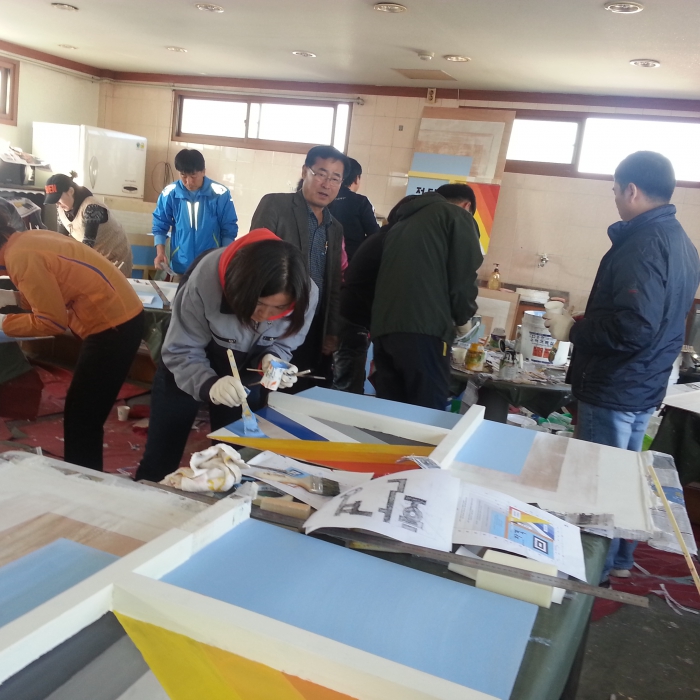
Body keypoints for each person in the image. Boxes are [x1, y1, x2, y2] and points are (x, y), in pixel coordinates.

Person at [544, 150, 700, 581]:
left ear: (631, 190)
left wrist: (573, 330)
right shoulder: (682, 242)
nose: (614, 198)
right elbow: (653, 319)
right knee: (625, 479)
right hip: (644, 383)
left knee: (596, 487)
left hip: (614, 384)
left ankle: (589, 573)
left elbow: (633, 327)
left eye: (614, 190)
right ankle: (618, 560)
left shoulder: (642, 242)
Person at [134, 228, 317, 483]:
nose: (265, 316)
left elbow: (285, 343)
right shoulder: (206, 279)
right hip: (187, 366)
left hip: (245, 377)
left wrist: (272, 360)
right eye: (259, 304)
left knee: (235, 459)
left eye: (279, 308)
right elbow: (182, 349)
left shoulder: (307, 294)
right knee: (161, 455)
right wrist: (209, 384)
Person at [0, 211, 144, 471]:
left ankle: (83, 482)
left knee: (82, 416)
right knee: (83, 412)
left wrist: (3, 324)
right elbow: (51, 291)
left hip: (113, 326)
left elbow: (51, 321)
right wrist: (11, 299)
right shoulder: (25, 241)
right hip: (117, 319)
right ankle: (83, 476)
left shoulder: (20, 257)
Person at [370, 185, 483, 409]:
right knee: (427, 412)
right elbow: (463, 274)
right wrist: (464, 317)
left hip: (384, 332)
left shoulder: (402, 223)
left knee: (389, 412)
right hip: (424, 331)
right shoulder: (457, 216)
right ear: (467, 206)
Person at [250, 145, 347, 390]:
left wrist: (331, 330)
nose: (326, 184)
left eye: (335, 178)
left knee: (301, 387)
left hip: (313, 324)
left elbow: (333, 283)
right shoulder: (275, 205)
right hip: (275, 320)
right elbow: (255, 261)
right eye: (321, 174)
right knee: (265, 386)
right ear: (305, 172)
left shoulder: (334, 227)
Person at [334, 195, 417, 393]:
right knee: (347, 384)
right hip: (355, 319)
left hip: (353, 316)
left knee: (350, 379)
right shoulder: (392, 242)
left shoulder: (383, 237)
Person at [152, 149, 238, 275]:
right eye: (183, 176)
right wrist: (160, 253)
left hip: (210, 267)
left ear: (203, 171)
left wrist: (225, 259)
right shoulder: (169, 193)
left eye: (193, 176)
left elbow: (229, 230)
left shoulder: (220, 194)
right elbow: (160, 225)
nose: (188, 182)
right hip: (181, 266)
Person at [44, 173, 133, 276]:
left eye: (58, 199)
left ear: (70, 191)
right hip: (95, 258)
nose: (57, 204)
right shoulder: (61, 208)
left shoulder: (92, 207)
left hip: (115, 260)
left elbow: (87, 246)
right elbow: (61, 239)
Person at [328, 158, 380, 262]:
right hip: (352, 259)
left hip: (325, 258)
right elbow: (375, 235)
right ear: (356, 179)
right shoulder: (361, 201)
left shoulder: (325, 198)